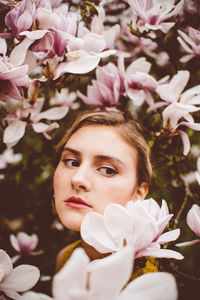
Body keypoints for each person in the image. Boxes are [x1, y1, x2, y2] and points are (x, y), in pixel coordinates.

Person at [53, 109, 154, 272]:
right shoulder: (66, 259)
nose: (77, 179)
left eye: (107, 170)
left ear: (138, 193)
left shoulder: (152, 274)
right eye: (72, 162)